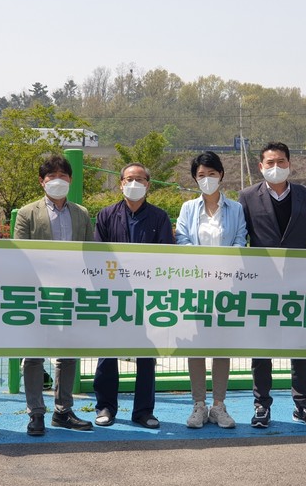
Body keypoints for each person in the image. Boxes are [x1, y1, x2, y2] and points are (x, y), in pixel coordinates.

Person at [238, 141, 306, 429]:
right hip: (262, 284)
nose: (276, 167)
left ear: (290, 164)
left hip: (300, 283)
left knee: (301, 345)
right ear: (260, 166)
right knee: (261, 346)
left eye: (281, 162)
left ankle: (302, 403)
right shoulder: (247, 197)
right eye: (270, 162)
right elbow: (241, 240)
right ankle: (262, 403)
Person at [13, 154, 94, 436]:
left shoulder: (81, 213)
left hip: (71, 292)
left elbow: (90, 253)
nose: (57, 181)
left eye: (63, 176)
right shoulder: (27, 213)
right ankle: (35, 412)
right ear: (41, 182)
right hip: (37, 292)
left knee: (68, 354)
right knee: (33, 355)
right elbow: (20, 253)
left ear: (70, 180)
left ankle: (63, 410)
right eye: (51, 177)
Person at [92, 162, 175, 429]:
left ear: (148, 185)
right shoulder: (106, 215)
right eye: (129, 179)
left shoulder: (160, 217)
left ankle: (143, 411)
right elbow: (97, 255)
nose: (134, 184)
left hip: (147, 297)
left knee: (146, 354)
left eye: (140, 179)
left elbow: (167, 256)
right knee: (107, 351)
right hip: (113, 294)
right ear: (121, 183)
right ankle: (105, 407)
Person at [175, 151, 247, 429]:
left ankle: (218, 405)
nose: (207, 179)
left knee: (221, 345)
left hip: (226, 285)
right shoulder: (188, 208)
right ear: (195, 179)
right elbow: (182, 239)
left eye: (212, 174)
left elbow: (240, 239)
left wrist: (224, 265)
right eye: (201, 175)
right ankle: (198, 404)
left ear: (221, 175)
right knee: (196, 345)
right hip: (196, 284)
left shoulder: (236, 209)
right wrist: (203, 265)